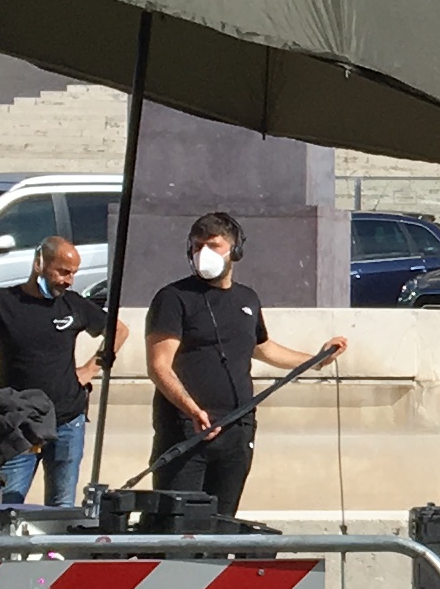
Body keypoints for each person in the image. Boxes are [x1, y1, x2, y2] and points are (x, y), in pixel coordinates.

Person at [143, 212, 343, 523]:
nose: (203, 254)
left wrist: (316, 359)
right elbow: (159, 366)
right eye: (196, 247)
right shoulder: (173, 298)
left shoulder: (247, 298)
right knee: (178, 523)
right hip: (186, 432)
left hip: (237, 429)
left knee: (222, 523)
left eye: (212, 245)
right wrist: (192, 410)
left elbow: (260, 346)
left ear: (234, 251)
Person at [0, 236, 123, 510]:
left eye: (73, 274)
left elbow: (118, 330)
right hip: (18, 422)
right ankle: (9, 554)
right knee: (8, 507)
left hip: (67, 419)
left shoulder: (73, 305)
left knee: (61, 506)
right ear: (39, 264)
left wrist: (90, 368)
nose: (68, 281)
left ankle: (55, 553)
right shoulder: (1, 302)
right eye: (62, 271)